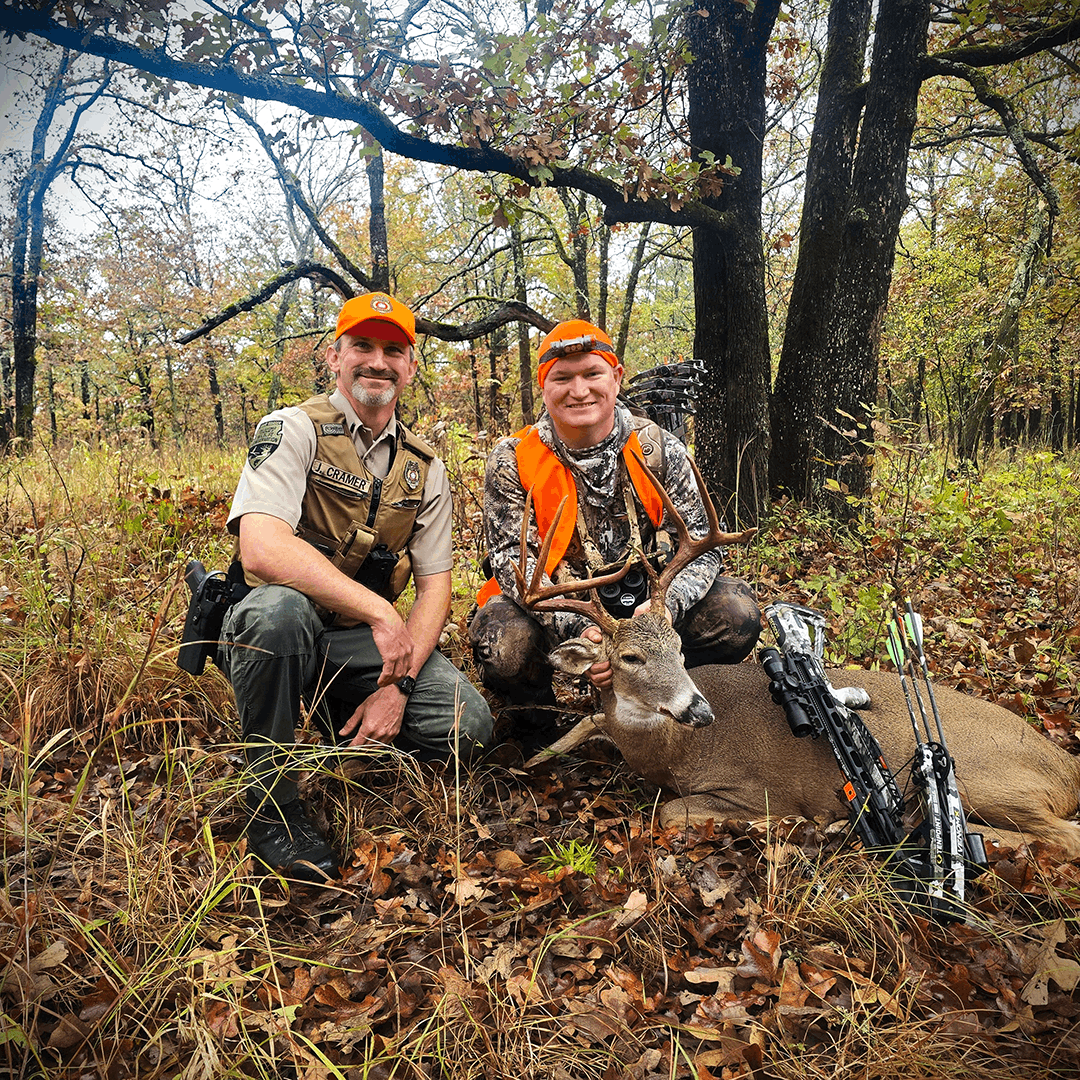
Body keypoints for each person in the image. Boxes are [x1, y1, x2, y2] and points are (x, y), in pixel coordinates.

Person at [219, 291, 493, 882]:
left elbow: (436, 590)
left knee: (466, 727)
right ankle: (272, 807)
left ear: (411, 367)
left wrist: (400, 684)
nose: (378, 361)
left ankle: (345, 720)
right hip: (281, 622)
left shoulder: (425, 467)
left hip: (354, 642)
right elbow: (261, 549)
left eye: (394, 350)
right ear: (334, 356)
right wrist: (380, 613)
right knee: (277, 616)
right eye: (362, 346)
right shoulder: (292, 429)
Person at [468, 319, 760, 740]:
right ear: (543, 386)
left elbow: (701, 545)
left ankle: (677, 715)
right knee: (505, 646)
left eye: (592, 373)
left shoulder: (660, 448)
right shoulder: (513, 460)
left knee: (736, 615)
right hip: (567, 614)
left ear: (616, 377)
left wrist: (666, 609)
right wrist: (578, 630)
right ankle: (541, 735)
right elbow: (510, 562)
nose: (579, 390)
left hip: (653, 609)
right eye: (562, 378)